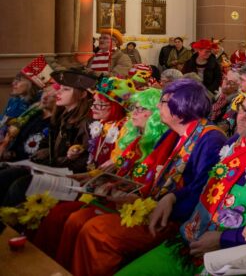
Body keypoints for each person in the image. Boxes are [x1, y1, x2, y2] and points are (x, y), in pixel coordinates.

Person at [118, 76, 246, 275]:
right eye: (241, 108)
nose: (240, 117)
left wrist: (221, 240)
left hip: (226, 260)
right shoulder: (235, 141)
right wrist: (173, 197)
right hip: (189, 239)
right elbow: (205, 183)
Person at [69, 78, 227, 276]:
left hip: (176, 220)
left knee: (97, 231)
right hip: (156, 206)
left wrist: (171, 198)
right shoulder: (173, 134)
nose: (158, 107)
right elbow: (156, 179)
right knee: (81, 219)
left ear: (181, 105)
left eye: (163, 101)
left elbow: (205, 187)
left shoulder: (211, 138)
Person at [33, 88, 168, 265]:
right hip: (116, 198)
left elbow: (151, 188)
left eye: (141, 108)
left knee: (85, 224)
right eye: (133, 107)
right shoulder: (135, 140)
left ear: (156, 115)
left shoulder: (163, 145)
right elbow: (116, 171)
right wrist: (91, 180)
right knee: (69, 217)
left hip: (137, 208)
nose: (133, 112)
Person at [0, 69, 96, 206]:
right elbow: (48, 141)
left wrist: (56, 160)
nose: (58, 92)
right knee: (5, 174)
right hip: (52, 167)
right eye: (60, 88)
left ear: (82, 94)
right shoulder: (62, 115)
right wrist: (45, 150)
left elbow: (85, 160)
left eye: (66, 89)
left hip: (69, 176)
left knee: (18, 186)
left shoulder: (86, 122)